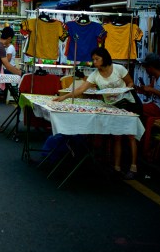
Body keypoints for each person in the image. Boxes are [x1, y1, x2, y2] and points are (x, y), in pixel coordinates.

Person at [54, 47, 141, 179]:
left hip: (127, 102)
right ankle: (116, 167)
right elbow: (81, 89)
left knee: (130, 135)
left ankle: (133, 167)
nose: (94, 62)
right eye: (93, 59)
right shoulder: (95, 75)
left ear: (104, 58)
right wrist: (63, 97)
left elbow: (130, 82)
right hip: (111, 105)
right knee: (117, 135)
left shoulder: (118, 69)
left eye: (97, 59)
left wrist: (124, 89)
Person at [135, 52, 160, 158]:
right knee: (137, 111)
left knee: (136, 108)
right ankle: (141, 142)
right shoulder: (155, 78)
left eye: (146, 67)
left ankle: (144, 148)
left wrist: (151, 89)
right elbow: (150, 91)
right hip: (154, 105)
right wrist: (140, 89)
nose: (145, 70)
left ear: (151, 67)